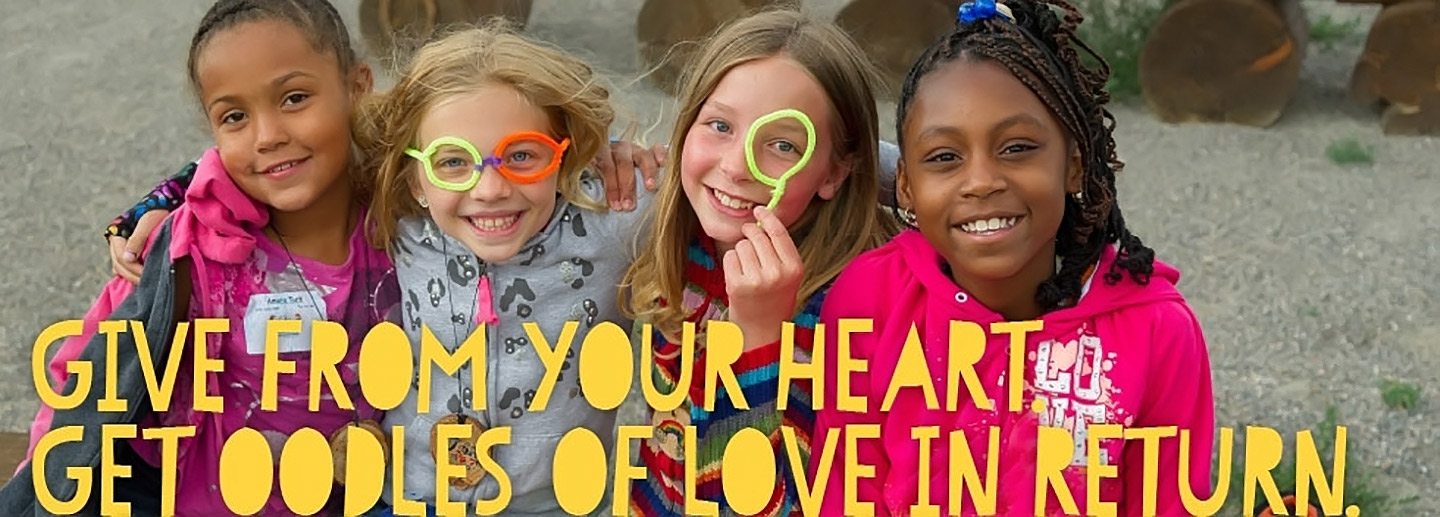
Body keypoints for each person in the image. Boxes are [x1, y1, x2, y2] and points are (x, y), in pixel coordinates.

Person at [810, 1, 1216, 515]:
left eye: (1018, 147)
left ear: (1073, 166)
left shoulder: (1156, 329)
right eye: (944, 158)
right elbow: (846, 490)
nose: (982, 181)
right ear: (907, 187)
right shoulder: (869, 300)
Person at [3, 0, 399, 514]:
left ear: (358, 85)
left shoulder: (410, 214)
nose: (267, 135)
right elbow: (89, 371)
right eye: (234, 116)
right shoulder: (190, 250)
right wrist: (42, 484)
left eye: (294, 98)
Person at [349, 21, 655, 515]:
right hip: (407, 500)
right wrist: (174, 199)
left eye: (522, 155)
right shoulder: (391, 217)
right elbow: (283, 160)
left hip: (556, 507)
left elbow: (717, 178)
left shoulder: (614, 218)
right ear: (413, 180)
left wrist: (617, 146)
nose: (490, 188)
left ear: (564, 156)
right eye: (453, 162)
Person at [621, 8, 901, 516]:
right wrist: (607, 158)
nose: (736, 166)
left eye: (781, 145)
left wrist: (758, 339)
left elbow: (750, 504)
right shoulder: (679, 242)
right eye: (720, 125)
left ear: (835, 173)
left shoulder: (852, 308)